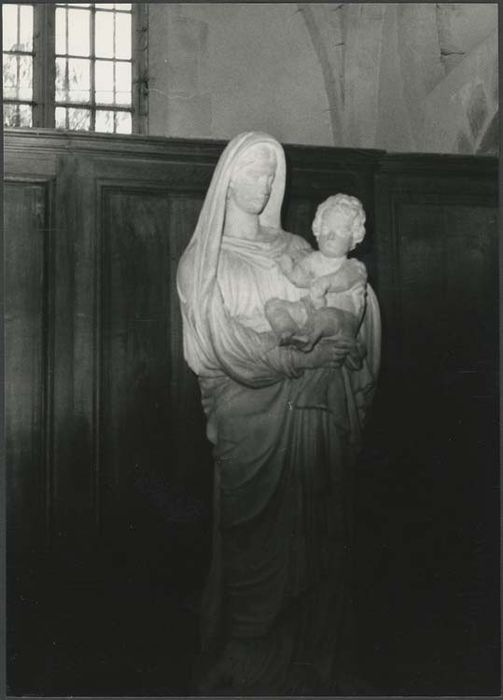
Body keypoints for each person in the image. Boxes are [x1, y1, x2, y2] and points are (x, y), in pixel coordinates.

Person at [177, 132, 381, 694]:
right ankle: (245, 656)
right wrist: (288, 356)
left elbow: (351, 300)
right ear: (226, 180)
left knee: (316, 533)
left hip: (312, 411)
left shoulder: (294, 248)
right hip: (249, 414)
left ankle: (313, 658)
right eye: (251, 172)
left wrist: (344, 309)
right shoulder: (205, 257)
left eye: (271, 173)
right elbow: (215, 343)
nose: (263, 183)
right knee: (252, 539)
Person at [265, 193, 368, 352]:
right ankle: (288, 332)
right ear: (318, 229)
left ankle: (307, 339)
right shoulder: (313, 259)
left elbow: (344, 280)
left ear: (354, 237)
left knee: (323, 317)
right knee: (274, 306)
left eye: (341, 231)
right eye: (326, 228)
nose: (330, 236)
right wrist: (288, 268)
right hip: (311, 310)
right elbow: (300, 279)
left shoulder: (355, 267)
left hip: (342, 319)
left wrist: (325, 282)